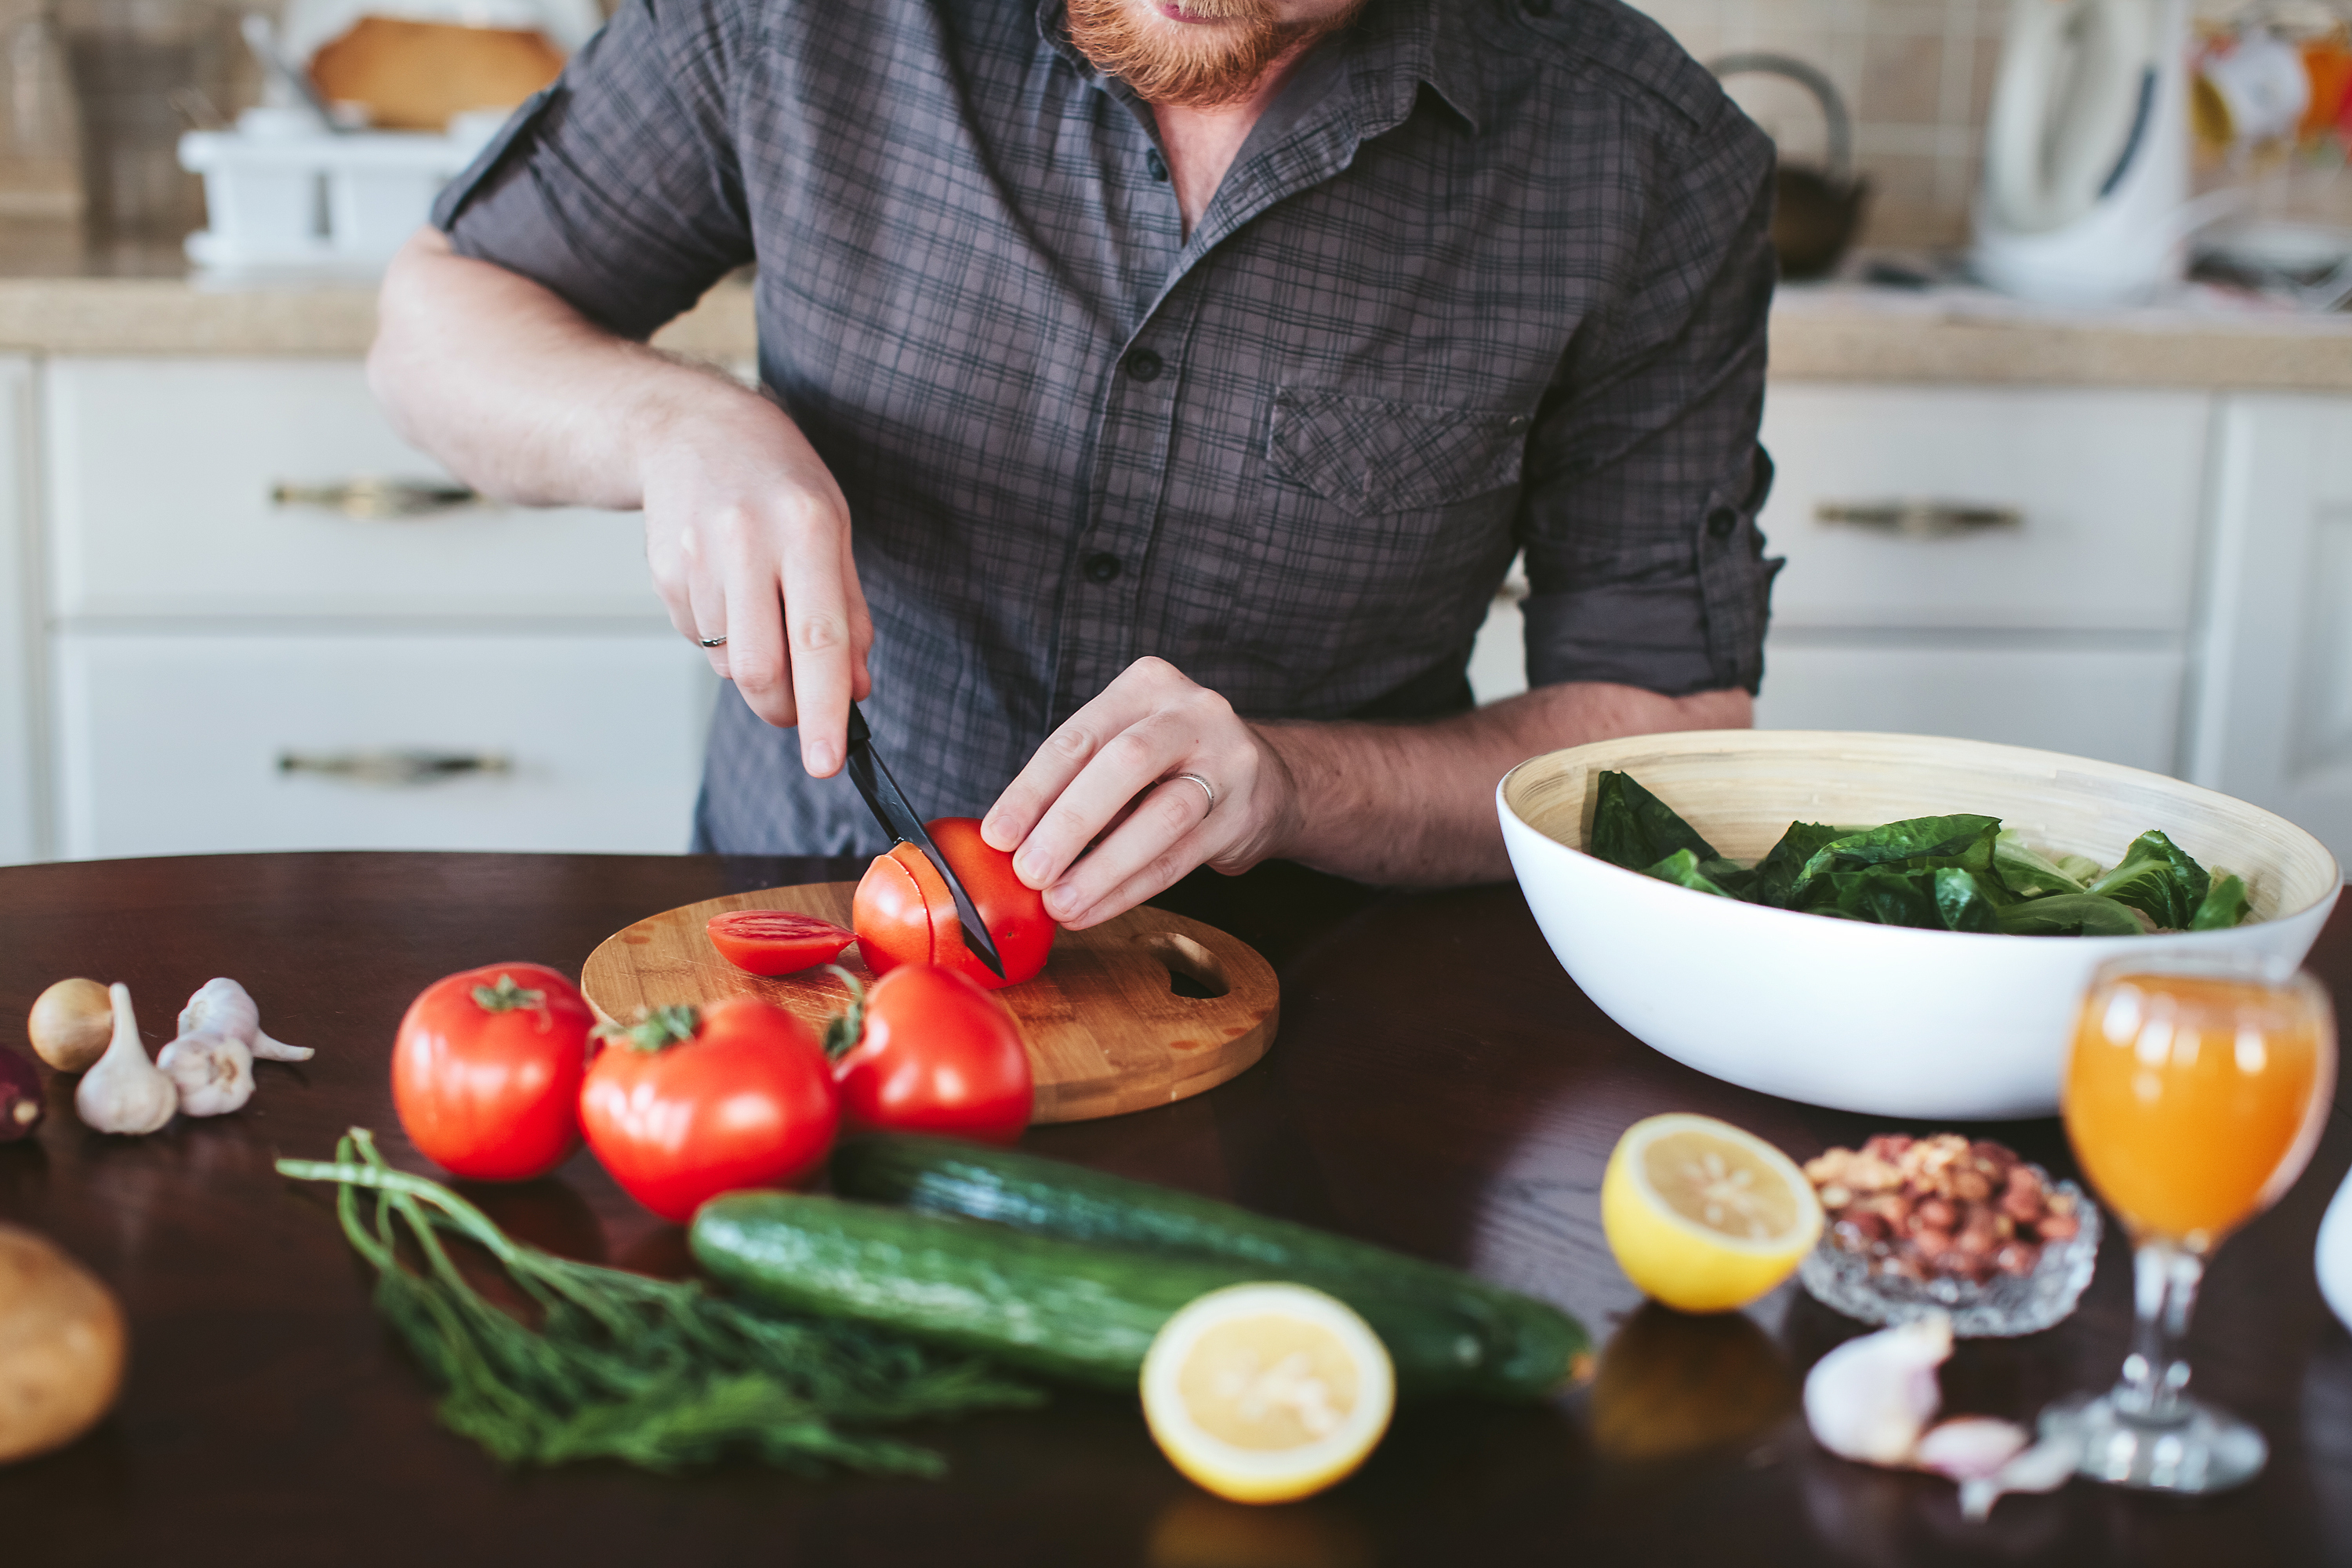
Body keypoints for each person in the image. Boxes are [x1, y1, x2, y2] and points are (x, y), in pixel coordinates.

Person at [368, 0, 1779, 930]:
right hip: (799, 947)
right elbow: (434, 324)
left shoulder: (1641, 155)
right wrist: (676, 423)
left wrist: (1290, 781)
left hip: (1321, 1000)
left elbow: (1666, 738)